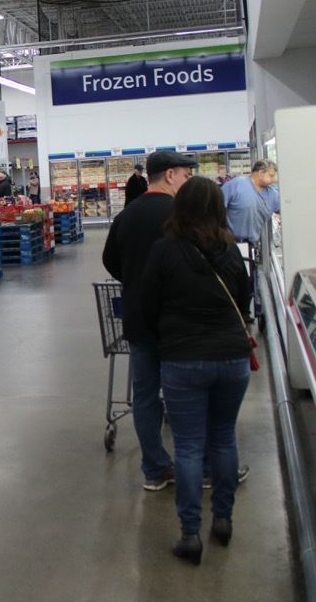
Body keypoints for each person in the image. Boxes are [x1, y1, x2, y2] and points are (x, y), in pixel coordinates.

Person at [139, 176, 253, 565]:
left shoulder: (164, 251)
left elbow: (147, 305)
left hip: (183, 358)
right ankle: (223, 519)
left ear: (179, 207)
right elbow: (244, 299)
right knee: (223, 439)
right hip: (232, 359)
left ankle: (190, 535)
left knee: (187, 447)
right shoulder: (231, 250)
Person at [101, 150, 195, 492]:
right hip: (177, 319)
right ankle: (196, 467)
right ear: (170, 175)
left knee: (144, 394)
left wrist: (135, 279)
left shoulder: (128, 214)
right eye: (185, 176)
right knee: (184, 392)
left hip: (138, 317)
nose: (187, 182)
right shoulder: (181, 214)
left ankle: (154, 468)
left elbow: (109, 259)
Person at [221, 159, 280, 320]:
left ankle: (245, 311)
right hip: (230, 243)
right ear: (260, 173)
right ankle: (231, 311)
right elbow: (217, 206)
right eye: (271, 175)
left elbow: (284, 209)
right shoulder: (236, 185)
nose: (273, 180)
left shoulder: (272, 194)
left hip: (251, 244)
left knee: (248, 279)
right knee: (231, 279)